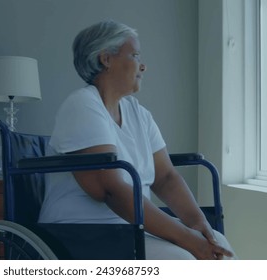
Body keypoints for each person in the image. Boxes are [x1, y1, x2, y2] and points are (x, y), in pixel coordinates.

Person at [38, 20, 236, 260]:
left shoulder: (138, 113)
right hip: (82, 231)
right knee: (186, 260)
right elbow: (111, 190)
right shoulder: (82, 106)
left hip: (128, 228)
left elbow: (166, 178)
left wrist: (198, 224)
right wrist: (186, 239)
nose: (143, 66)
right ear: (106, 59)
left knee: (219, 243)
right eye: (134, 55)